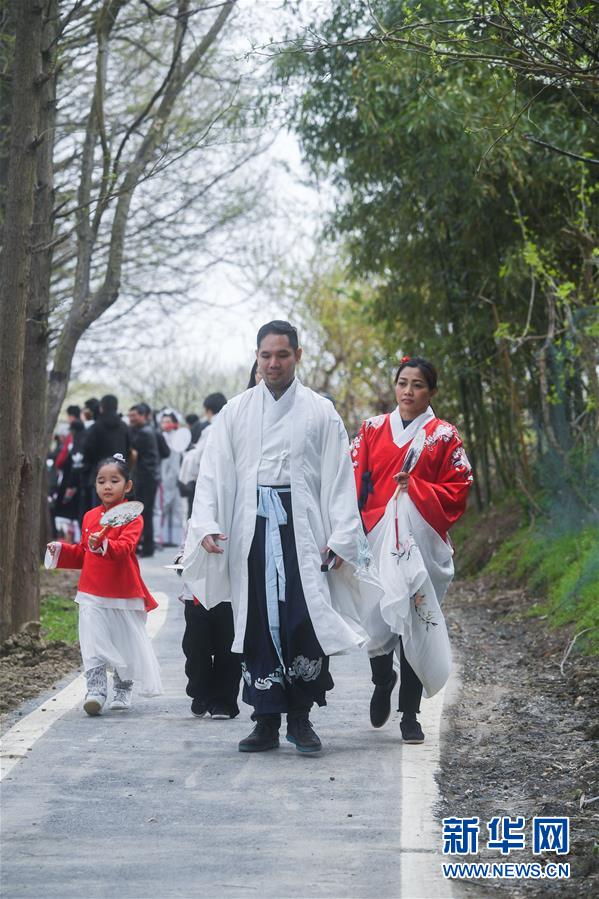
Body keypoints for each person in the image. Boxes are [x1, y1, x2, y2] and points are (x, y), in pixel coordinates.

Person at [181, 321, 369, 754]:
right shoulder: (236, 411)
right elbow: (213, 473)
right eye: (265, 356)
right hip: (253, 529)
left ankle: (300, 718)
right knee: (257, 622)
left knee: (301, 618)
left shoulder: (321, 412)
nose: (273, 363)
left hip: (303, 533)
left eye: (282, 355)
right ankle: (264, 719)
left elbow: (340, 478)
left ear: (298, 356)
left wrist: (342, 536)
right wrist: (207, 522)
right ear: (256, 357)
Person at [351, 356, 473, 743]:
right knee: (376, 620)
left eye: (418, 385)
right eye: (403, 383)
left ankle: (409, 713)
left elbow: (458, 487)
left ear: (431, 391)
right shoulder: (371, 430)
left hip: (420, 543)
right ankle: (382, 678)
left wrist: (416, 488)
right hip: (376, 536)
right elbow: (352, 480)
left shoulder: (444, 436)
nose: (408, 391)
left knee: (413, 623)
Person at [46, 454, 163, 716]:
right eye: (101, 481)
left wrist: (105, 544)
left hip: (123, 591)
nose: (107, 486)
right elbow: (84, 552)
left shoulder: (133, 518)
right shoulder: (89, 517)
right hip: (90, 591)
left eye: (114, 480)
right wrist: (60, 550)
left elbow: (125, 548)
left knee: (125, 643)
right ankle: (95, 691)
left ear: (127, 486)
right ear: (95, 485)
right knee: (91, 641)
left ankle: (123, 688)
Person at [178, 392, 241, 719]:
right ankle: (200, 689)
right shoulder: (212, 433)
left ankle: (225, 700)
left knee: (231, 642)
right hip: (200, 568)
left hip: (237, 553)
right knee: (196, 646)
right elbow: (189, 468)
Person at [83, 395, 132, 509]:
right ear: (116, 407)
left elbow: (88, 451)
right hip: (119, 477)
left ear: (102, 408)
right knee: (118, 512)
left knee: (99, 511)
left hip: (99, 476)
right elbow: (130, 450)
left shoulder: (95, 428)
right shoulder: (124, 427)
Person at [128, 403, 161, 557]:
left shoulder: (143, 433)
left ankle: (146, 546)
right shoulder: (152, 431)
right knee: (145, 511)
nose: (131, 419)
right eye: (130, 416)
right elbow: (164, 452)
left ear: (143, 416)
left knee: (144, 512)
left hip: (145, 477)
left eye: (134, 416)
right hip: (151, 476)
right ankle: (146, 546)